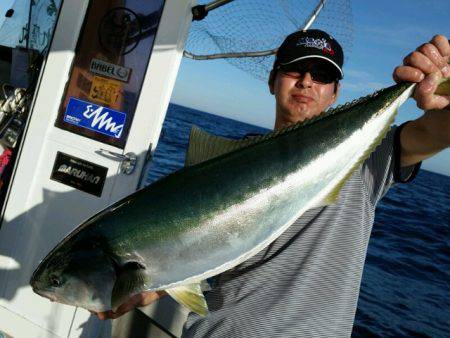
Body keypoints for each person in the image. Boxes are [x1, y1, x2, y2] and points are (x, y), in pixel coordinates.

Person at [96, 30, 450, 337]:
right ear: (272, 80)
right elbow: (203, 244)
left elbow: (436, 131)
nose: (306, 81)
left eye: (322, 74)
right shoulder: (220, 167)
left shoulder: (368, 157)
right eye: (295, 68)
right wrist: (154, 284)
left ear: (335, 93)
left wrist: (445, 92)